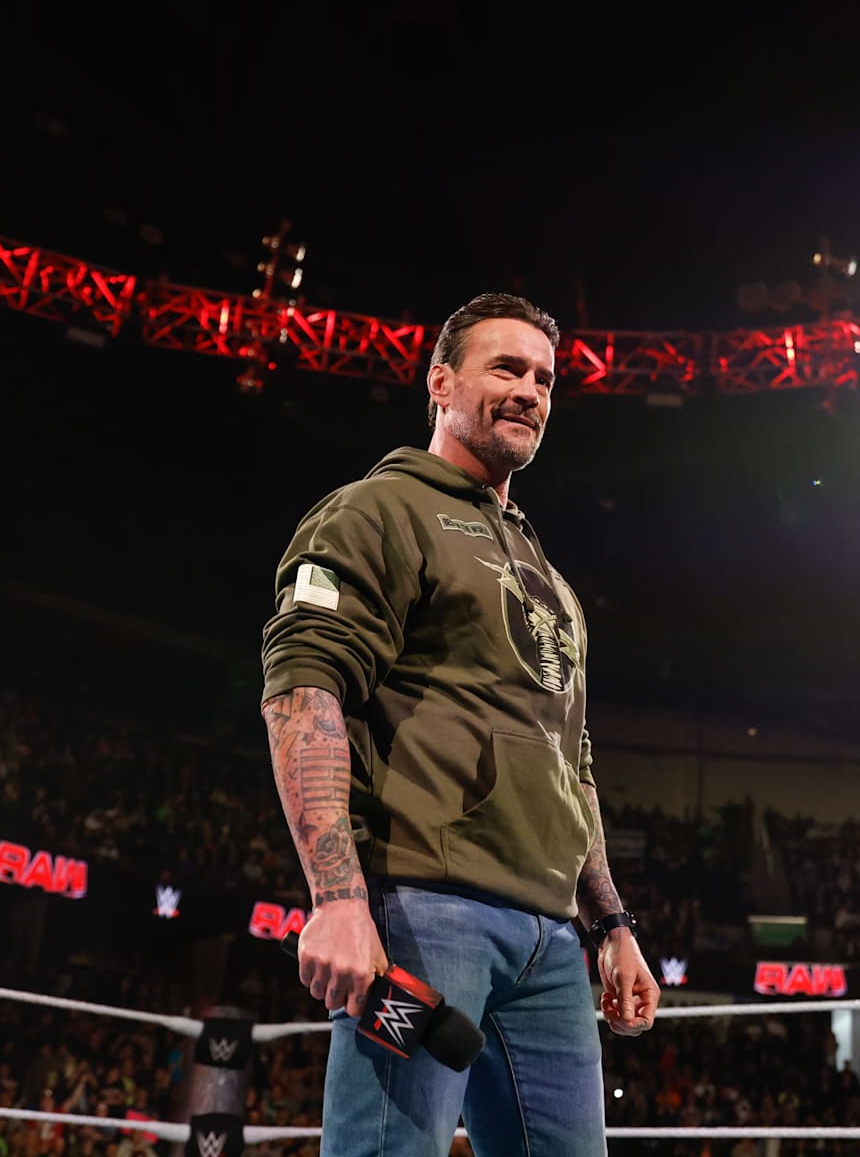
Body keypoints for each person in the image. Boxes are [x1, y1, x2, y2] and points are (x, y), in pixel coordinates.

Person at [261, 292, 659, 1156]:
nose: (530, 391)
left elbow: (571, 764)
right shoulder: (378, 512)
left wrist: (611, 927)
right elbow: (305, 687)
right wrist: (337, 899)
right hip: (423, 918)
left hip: (552, 947)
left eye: (545, 379)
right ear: (441, 382)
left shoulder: (551, 580)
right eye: (506, 368)